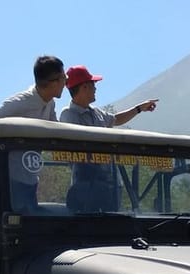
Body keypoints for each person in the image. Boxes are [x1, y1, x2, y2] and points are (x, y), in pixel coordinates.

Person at [59, 65, 158, 212]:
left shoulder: (96, 112)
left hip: (110, 184)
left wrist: (139, 109)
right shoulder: (69, 115)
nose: (96, 88)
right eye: (93, 84)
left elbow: (115, 120)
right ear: (84, 87)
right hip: (86, 184)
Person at [0, 55, 66, 212]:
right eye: (63, 78)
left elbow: (56, 130)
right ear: (53, 81)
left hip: (30, 180)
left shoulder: (50, 103)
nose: (65, 83)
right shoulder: (20, 102)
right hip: (10, 182)